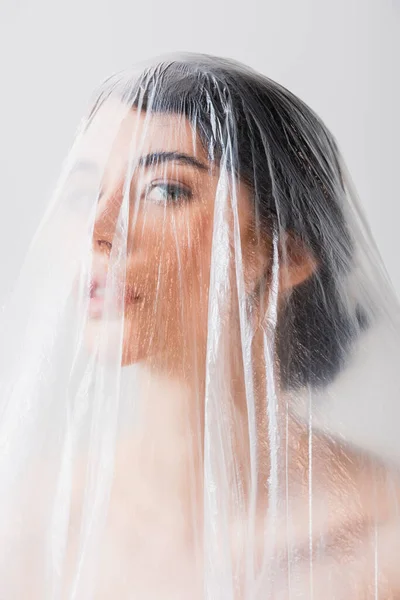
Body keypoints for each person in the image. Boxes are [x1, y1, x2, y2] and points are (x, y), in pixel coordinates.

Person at [0, 53, 399, 599]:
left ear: (285, 253)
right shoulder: (35, 520)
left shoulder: (377, 539)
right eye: (84, 191)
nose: (99, 229)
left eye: (165, 190)